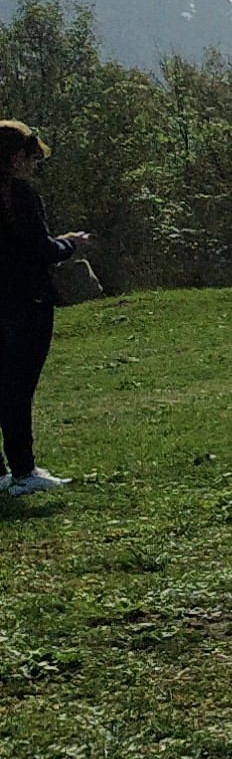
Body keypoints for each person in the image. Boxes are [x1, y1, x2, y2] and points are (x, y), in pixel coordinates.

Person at [0, 122, 92, 497]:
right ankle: (24, 471)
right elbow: (42, 250)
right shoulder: (20, 196)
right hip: (28, 302)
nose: (35, 166)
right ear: (18, 159)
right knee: (18, 389)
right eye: (33, 159)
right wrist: (69, 244)